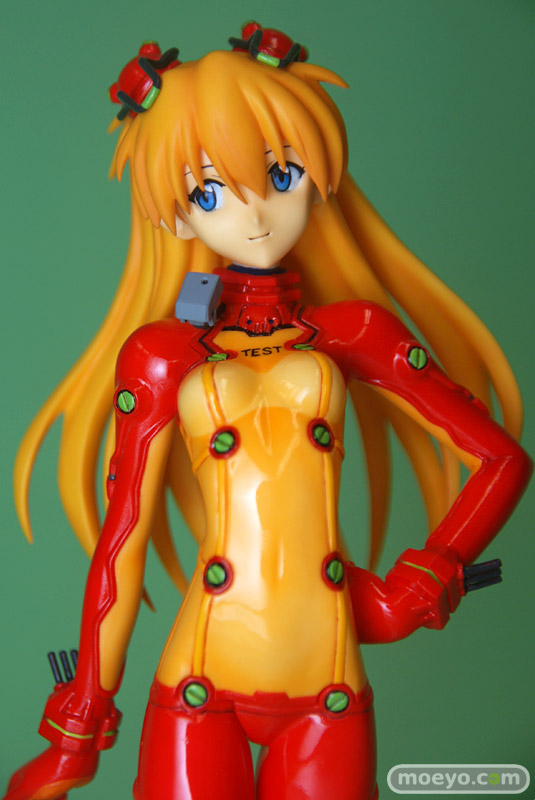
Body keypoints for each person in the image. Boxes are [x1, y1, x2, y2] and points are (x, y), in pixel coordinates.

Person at [4, 22, 532, 800]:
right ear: (175, 216)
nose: (253, 213)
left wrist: (431, 570)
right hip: (198, 683)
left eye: (280, 174)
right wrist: (77, 729)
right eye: (209, 192)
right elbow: (123, 542)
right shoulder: (163, 353)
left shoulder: (355, 332)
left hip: (328, 688)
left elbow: (500, 458)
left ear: (319, 176)